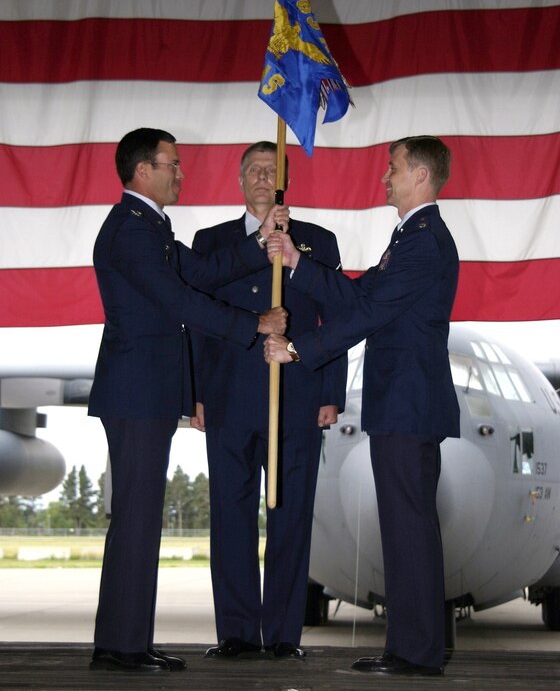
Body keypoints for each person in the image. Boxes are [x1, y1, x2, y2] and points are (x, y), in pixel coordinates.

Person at [88, 128, 288, 674]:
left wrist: (258, 242)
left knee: (139, 517)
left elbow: (201, 272)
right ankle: (122, 647)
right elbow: (181, 299)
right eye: (172, 165)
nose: (181, 173)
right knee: (135, 518)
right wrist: (254, 325)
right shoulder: (132, 231)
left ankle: (124, 640)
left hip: (144, 392)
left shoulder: (149, 227)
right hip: (136, 393)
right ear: (142, 171)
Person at [264, 135, 460, 677]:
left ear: (420, 175)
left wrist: (299, 349)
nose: (385, 177)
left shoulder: (423, 241)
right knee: (403, 528)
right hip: (401, 402)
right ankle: (410, 648)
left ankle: (416, 653)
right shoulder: (409, 238)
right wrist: (296, 261)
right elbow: (358, 297)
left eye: (393, 168)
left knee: (409, 528)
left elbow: (368, 313)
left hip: (408, 403)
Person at [191, 141, 347, 659]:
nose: (262, 177)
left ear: (285, 179)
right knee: (230, 517)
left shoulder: (317, 241)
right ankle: (236, 632)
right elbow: (196, 320)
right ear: (239, 179)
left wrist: (331, 393)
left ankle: (283, 635)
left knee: (291, 517)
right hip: (229, 398)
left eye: (271, 169)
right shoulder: (210, 242)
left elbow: (336, 320)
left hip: (299, 399)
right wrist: (195, 394)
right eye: (253, 170)